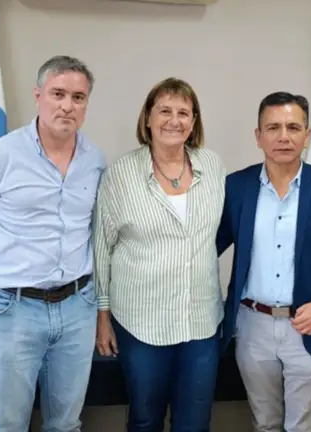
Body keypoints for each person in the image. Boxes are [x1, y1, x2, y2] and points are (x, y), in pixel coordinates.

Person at [0, 55, 105, 432]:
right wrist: (2, 275)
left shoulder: (95, 160)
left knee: (66, 424)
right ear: (38, 95)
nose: (67, 106)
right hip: (13, 310)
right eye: (58, 94)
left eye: (78, 97)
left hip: (77, 308)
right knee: (10, 425)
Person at [216, 92, 311, 432]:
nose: (283, 136)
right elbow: (206, 247)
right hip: (252, 326)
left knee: (303, 427)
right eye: (273, 128)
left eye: (293, 127)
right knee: (265, 424)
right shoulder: (236, 187)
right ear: (258, 136)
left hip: (309, 326)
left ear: (307, 134)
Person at [93, 77, 227, 432]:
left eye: (184, 112)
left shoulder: (213, 166)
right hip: (141, 323)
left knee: (195, 422)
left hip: (200, 321)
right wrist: (102, 316)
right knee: (145, 419)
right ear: (148, 119)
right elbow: (101, 246)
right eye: (164, 110)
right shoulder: (121, 174)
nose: (174, 120)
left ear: (194, 122)